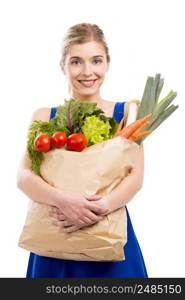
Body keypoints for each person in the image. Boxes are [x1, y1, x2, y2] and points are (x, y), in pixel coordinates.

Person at [17, 23, 148, 278]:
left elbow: (136, 178)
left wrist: (94, 211)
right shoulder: (44, 117)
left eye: (96, 61)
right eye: (76, 62)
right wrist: (65, 202)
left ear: (107, 63)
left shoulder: (128, 115)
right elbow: (23, 177)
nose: (88, 72)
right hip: (55, 239)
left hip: (108, 237)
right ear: (62, 66)